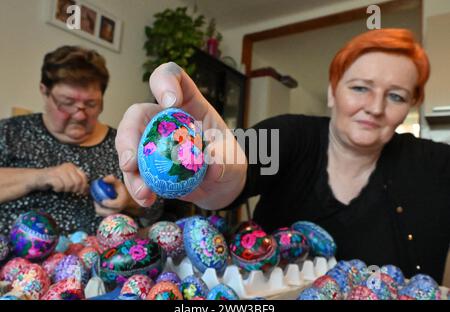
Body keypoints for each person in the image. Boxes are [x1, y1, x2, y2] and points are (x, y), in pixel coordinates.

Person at [115, 29, 450, 284]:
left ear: (410, 105)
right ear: (333, 92)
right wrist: (219, 174)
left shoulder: (434, 164)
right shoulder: (291, 137)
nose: (375, 108)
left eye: (396, 96)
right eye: (360, 87)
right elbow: (242, 163)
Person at [0, 45, 162, 235]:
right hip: (16, 259)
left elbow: (156, 206)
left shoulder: (124, 144)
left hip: (101, 258)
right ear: (44, 91)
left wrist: (129, 201)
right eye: (67, 103)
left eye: (91, 104)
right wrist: (38, 177)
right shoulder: (11, 132)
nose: (79, 116)